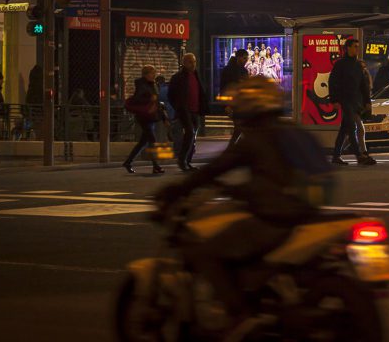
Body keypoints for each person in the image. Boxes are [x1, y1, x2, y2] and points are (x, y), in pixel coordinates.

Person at [154, 77, 331, 310]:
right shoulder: (289, 129)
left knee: (206, 251)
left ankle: (237, 312)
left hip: (273, 216)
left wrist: (179, 189)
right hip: (305, 213)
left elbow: (217, 167)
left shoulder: (258, 137)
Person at [328, 38, 375, 166]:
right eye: (354, 46)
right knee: (351, 127)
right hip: (345, 100)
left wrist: (367, 101)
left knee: (345, 128)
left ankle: (336, 155)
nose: (357, 49)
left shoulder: (357, 65)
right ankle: (359, 155)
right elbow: (332, 82)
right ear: (347, 48)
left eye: (357, 47)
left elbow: (363, 85)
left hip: (355, 102)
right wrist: (335, 100)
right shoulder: (340, 64)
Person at [168, 53, 208, 172]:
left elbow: (200, 92)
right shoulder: (178, 77)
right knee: (190, 134)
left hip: (195, 111)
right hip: (185, 111)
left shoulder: (196, 75)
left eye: (194, 62)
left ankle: (187, 161)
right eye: (190, 62)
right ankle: (182, 160)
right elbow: (171, 95)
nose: (193, 64)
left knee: (193, 137)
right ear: (184, 63)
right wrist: (179, 107)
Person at [123, 65, 165, 175]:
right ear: (146, 74)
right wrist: (149, 98)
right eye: (151, 73)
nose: (153, 75)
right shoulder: (141, 84)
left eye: (154, 73)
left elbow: (156, 101)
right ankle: (156, 166)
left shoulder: (153, 84)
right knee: (152, 140)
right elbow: (138, 99)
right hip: (144, 117)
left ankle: (128, 162)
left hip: (151, 116)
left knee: (143, 142)